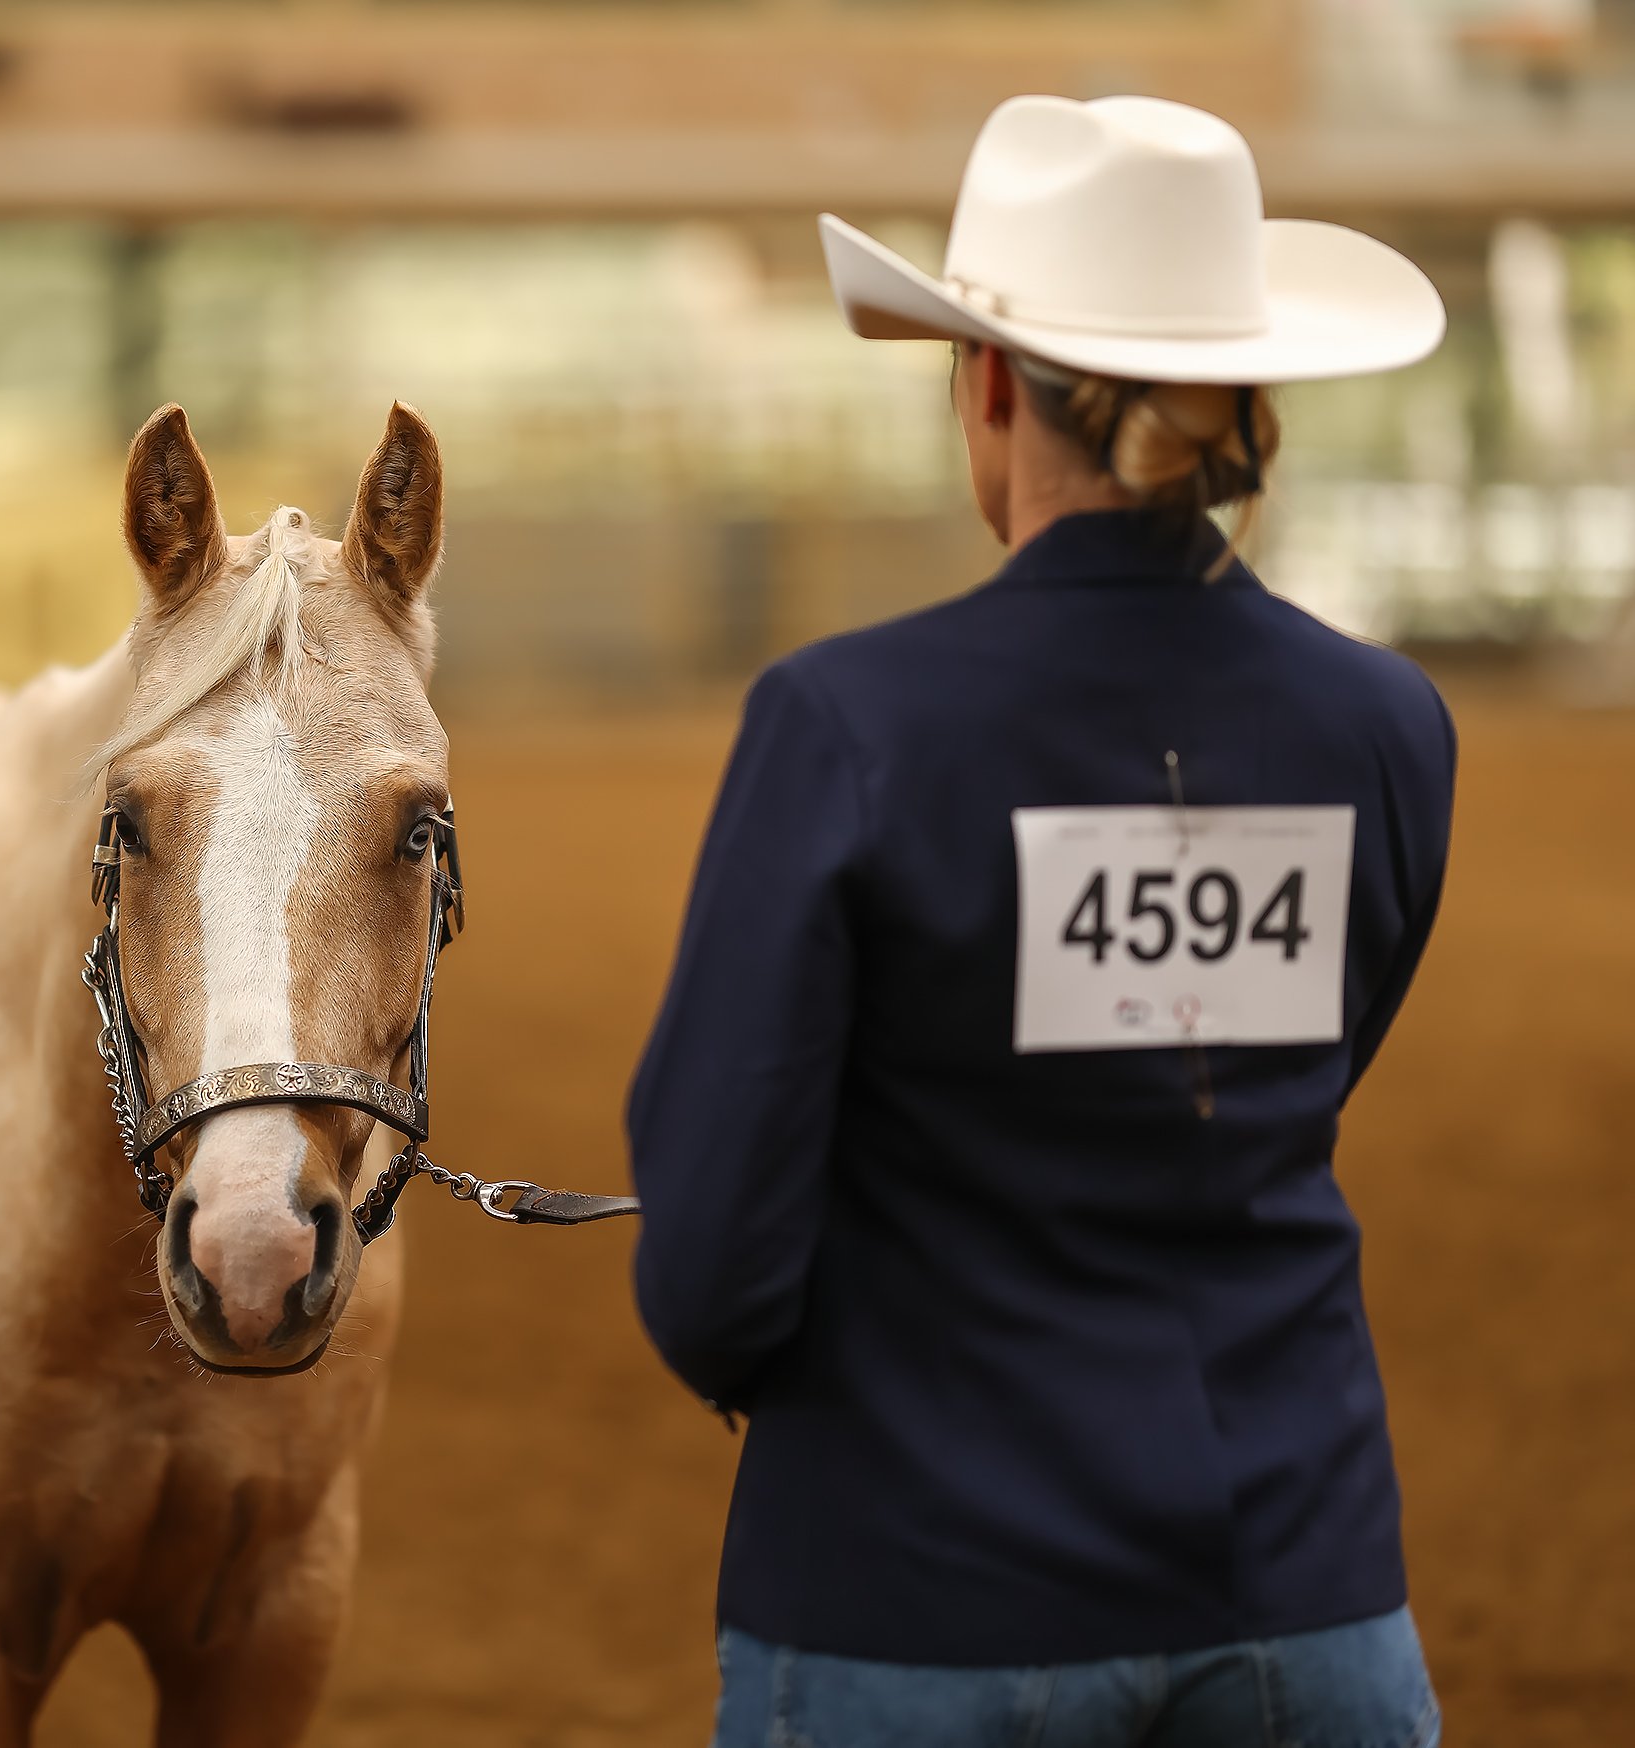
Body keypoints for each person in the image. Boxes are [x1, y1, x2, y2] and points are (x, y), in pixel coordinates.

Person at [628, 96, 1455, 1747]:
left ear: (992, 384)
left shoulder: (845, 722)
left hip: (917, 1590)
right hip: (1304, 1595)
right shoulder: (1385, 725)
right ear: (1240, 394)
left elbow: (712, 1257)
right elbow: (1284, 1062)